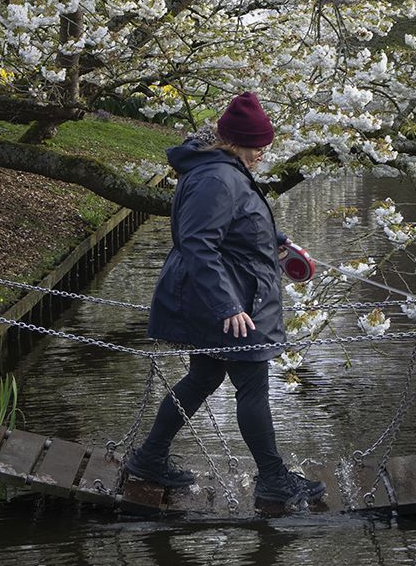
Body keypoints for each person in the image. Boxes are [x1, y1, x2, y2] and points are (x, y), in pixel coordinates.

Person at [125, 92, 326, 508]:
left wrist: (275, 240)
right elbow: (198, 243)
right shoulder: (217, 177)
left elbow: (230, 226)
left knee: (203, 377)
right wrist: (227, 307)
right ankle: (272, 479)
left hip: (225, 295)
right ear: (235, 142)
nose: (262, 155)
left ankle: (149, 459)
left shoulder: (221, 170)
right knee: (252, 385)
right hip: (228, 303)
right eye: (258, 147)